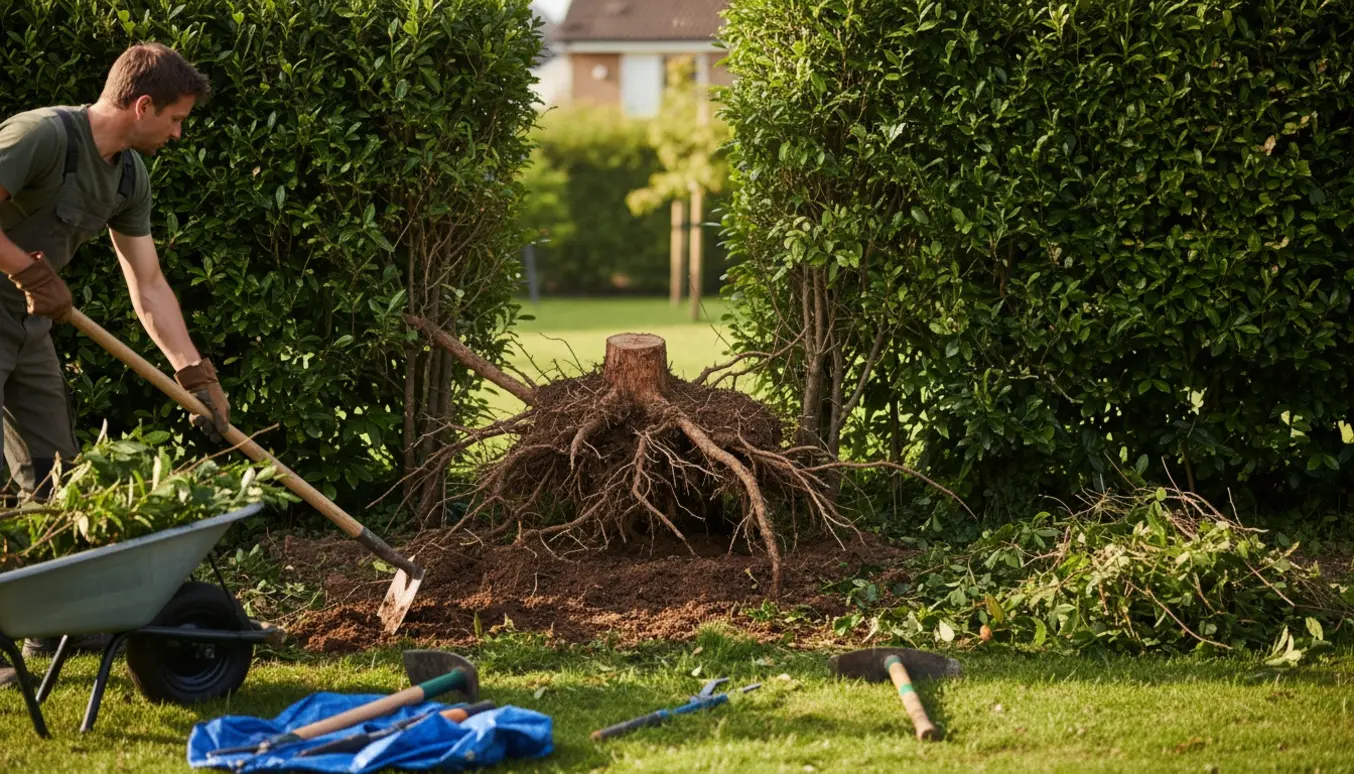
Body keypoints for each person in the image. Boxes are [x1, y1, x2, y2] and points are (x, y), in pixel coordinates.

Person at [0, 43, 231, 688]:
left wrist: (193, 371)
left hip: (31, 323)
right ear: (142, 104)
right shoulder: (41, 136)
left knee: (51, 473)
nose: (179, 134)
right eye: (176, 119)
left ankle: (42, 623)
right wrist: (26, 267)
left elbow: (149, 283)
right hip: (14, 302)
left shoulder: (129, 176)